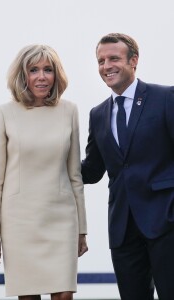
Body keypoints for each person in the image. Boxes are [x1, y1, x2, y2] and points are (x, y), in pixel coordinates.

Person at [0, 44, 88, 300]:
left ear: (56, 75)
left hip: (61, 219)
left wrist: (82, 230)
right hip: (19, 223)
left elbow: (75, 175)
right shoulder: (3, 114)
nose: (41, 76)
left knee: (64, 295)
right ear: (23, 75)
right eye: (33, 70)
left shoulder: (70, 111)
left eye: (47, 70)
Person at [81, 33, 174, 300]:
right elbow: (92, 170)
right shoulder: (97, 115)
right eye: (100, 60)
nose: (106, 66)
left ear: (133, 61)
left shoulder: (166, 98)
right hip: (123, 229)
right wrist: (52, 162)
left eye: (113, 58)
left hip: (167, 223)